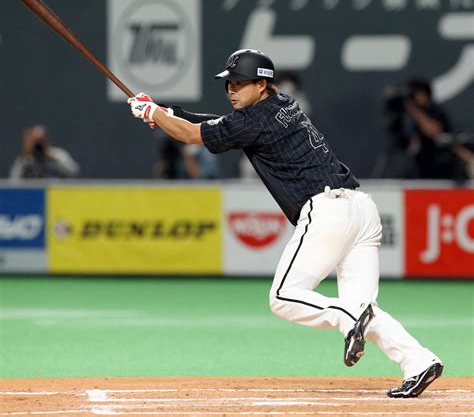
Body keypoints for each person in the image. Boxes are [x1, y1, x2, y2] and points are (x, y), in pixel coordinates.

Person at [128, 48, 443, 398]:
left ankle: (349, 319)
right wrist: (166, 112)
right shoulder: (282, 104)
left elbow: (192, 135)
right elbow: (215, 125)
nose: (232, 89)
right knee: (361, 307)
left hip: (328, 211)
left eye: (241, 83)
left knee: (283, 297)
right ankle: (418, 360)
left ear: (262, 84)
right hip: (360, 210)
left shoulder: (254, 120)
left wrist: (152, 111)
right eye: (229, 83)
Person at [379, 78, 473, 180]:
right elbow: (404, 142)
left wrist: (412, 108)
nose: (412, 98)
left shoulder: (434, 111)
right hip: (418, 168)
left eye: (414, 94)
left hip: (441, 167)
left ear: (424, 94)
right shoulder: (408, 115)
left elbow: (435, 132)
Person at [9, 125, 80, 180]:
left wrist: (51, 159)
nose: (38, 145)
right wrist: (25, 156)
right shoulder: (25, 159)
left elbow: (74, 172)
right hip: (30, 195)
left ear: (46, 140)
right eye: (35, 142)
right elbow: (13, 181)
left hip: (55, 194)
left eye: (40, 141)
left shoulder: (57, 154)